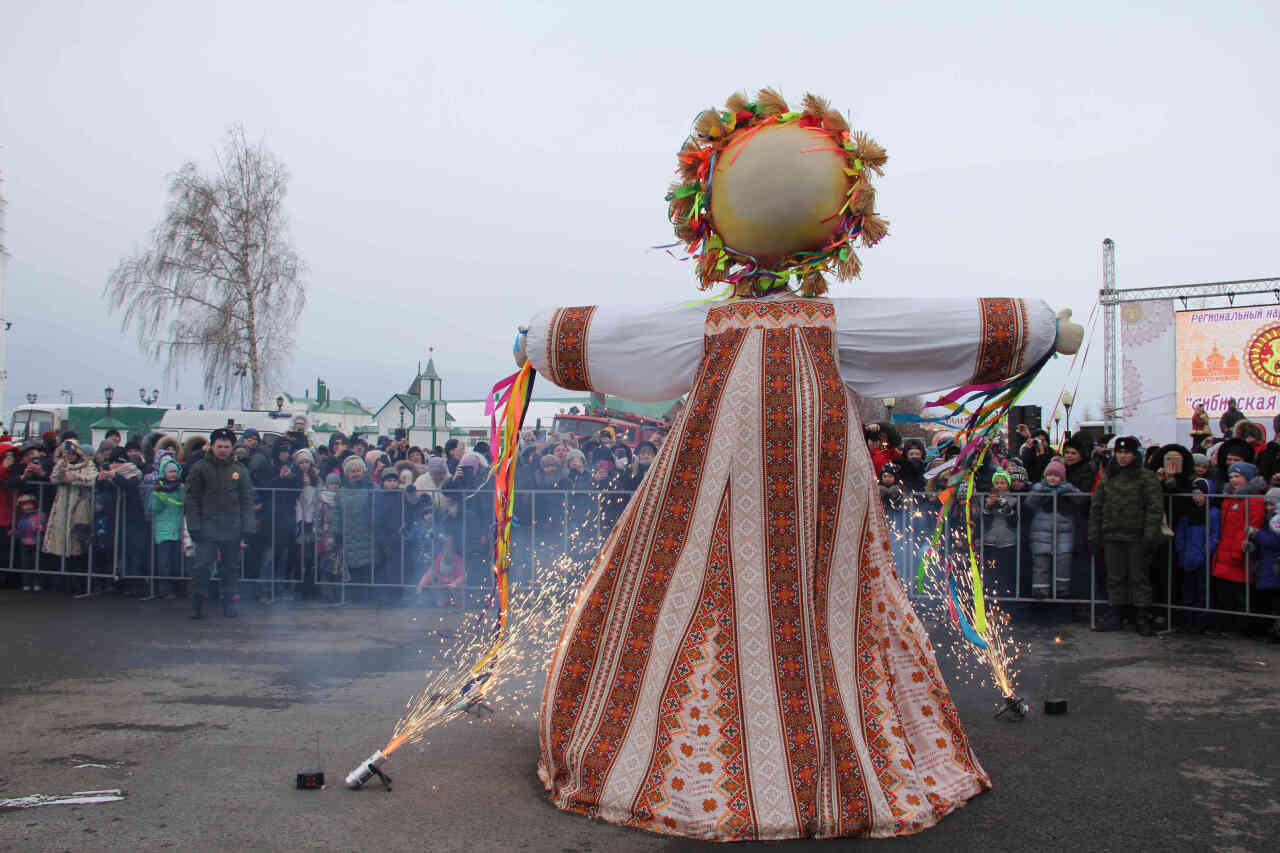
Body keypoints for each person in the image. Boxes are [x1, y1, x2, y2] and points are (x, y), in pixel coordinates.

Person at [1088, 436, 1163, 634]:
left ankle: (1141, 618)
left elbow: (1154, 508)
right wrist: (1094, 534)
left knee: (1139, 578)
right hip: (1113, 534)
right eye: (1119, 453)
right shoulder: (1108, 475)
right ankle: (1115, 616)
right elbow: (1097, 506)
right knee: (1115, 577)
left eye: (1127, 453)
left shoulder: (1146, 477)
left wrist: (1149, 535)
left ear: (1134, 454)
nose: (1122, 457)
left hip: (1137, 536)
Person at [184, 428, 255, 618]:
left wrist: (248, 527)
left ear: (232, 448)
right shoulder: (200, 468)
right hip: (207, 527)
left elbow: (246, 500)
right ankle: (197, 605)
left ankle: (229, 604)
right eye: (219, 446)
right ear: (212, 446)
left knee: (230, 568)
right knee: (202, 567)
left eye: (227, 446)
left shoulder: (239, 470)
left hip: (232, 528)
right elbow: (191, 499)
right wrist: (194, 526)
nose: (223, 450)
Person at [1211, 461, 1266, 633]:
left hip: (1238, 553)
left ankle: (1242, 626)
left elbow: (1250, 526)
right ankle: (1227, 624)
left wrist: (1237, 551)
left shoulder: (1254, 499)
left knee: (1239, 593)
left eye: (1238, 476)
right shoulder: (1230, 498)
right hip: (1224, 552)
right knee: (1224, 592)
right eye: (1231, 476)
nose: (1234, 480)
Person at [1027, 459, 1081, 599]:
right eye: (1049, 475)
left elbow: (1081, 499)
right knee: (1041, 564)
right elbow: (1029, 503)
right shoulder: (1038, 488)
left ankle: (1062, 590)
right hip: (1041, 533)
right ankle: (1040, 591)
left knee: (1063, 563)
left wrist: (1069, 491)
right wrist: (1040, 492)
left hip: (1063, 533)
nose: (1052, 478)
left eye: (1056, 475)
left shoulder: (1068, 489)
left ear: (1062, 477)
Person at [1174, 478, 1218, 634]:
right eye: (1194, 494)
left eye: (1200, 494)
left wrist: (1206, 552)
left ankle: (1203, 622)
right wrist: (1180, 550)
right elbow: (1180, 533)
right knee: (1189, 590)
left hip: (1203, 558)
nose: (1196, 497)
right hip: (1188, 557)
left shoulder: (1213, 513)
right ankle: (1189, 620)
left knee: (1203, 590)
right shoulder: (1188, 514)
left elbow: (1214, 536)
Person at [1245, 488, 1280, 643]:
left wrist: (1256, 534)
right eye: (1267, 505)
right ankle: (1270, 629)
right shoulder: (1269, 519)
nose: (1268, 508)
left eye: (1271, 505)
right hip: (1267, 564)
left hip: (1274, 564)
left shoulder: (1275, 521)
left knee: (1276, 602)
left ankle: (1276, 631)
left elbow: (1274, 542)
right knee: (1269, 600)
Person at [149, 457, 185, 599]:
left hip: (177, 529)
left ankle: (177, 588)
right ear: (164, 472)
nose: (173, 474)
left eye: (175, 471)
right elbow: (155, 508)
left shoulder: (180, 488)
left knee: (176, 562)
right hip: (163, 529)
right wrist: (159, 496)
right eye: (170, 471)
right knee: (164, 562)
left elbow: (184, 503)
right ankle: (164, 589)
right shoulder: (158, 489)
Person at [415, 531, 465, 608]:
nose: (447, 548)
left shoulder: (457, 559)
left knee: (459, 601)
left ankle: (458, 606)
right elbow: (429, 574)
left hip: (455, 586)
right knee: (440, 603)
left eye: (449, 545)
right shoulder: (439, 559)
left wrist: (454, 583)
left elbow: (463, 576)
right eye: (446, 546)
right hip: (441, 585)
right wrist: (420, 585)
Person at [14, 493, 46, 591]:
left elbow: (44, 524)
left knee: (37, 563)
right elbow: (20, 529)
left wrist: (41, 527)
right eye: (24, 504)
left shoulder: (39, 514)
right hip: (24, 542)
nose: (27, 506)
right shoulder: (20, 517)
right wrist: (16, 532)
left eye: (29, 504)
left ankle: (37, 583)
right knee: (26, 564)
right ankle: (26, 583)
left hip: (36, 541)